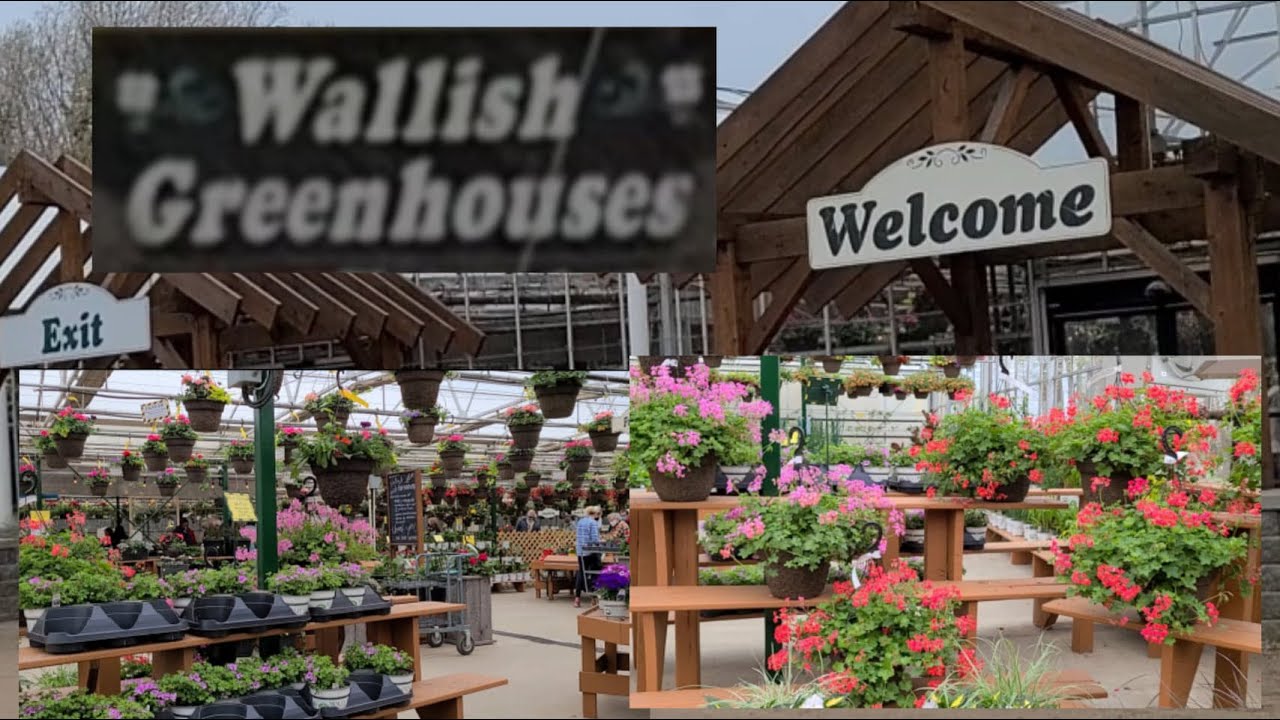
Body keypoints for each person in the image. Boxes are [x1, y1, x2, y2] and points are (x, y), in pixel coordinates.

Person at [573, 506, 603, 608]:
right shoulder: (593, 523)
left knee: (581, 573)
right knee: (596, 571)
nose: (597, 516)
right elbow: (595, 539)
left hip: (580, 551)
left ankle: (577, 598)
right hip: (591, 551)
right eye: (597, 514)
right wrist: (601, 542)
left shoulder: (580, 522)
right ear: (594, 514)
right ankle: (594, 597)